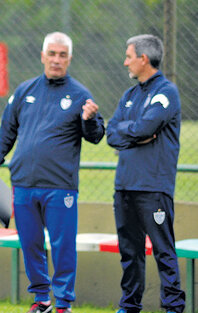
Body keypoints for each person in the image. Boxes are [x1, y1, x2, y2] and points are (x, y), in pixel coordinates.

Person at [0, 32, 104, 313]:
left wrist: (91, 119)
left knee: (62, 247)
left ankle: (64, 303)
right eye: (52, 54)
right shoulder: (25, 91)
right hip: (23, 183)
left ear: (69, 59)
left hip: (61, 187)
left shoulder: (81, 95)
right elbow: (6, 133)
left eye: (62, 55)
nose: (56, 60)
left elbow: (95, 136)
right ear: (43, 56)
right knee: (31, 244)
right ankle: (42, 300)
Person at [106, 34, 185, 313]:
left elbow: (142, 128)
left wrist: (132, 130)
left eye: (129, 56)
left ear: (143, 58)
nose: (125, 62)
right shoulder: (129, 95)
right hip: (125, 185)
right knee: (130, 252)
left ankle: (173, 307)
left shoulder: (166, 92)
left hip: (153, 187)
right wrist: (135, 132)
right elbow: (111, 134)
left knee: (164, 250)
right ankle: (129, 305)